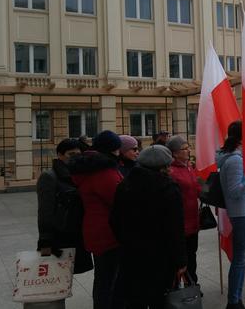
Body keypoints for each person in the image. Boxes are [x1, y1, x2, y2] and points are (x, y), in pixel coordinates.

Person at [110, 145, 187, 308]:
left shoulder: (124, 185)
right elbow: (175, 228)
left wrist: (126, 240)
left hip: (131, 254)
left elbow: (114, 220)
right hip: (160, 257)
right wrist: (180, 260)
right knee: (158, 299)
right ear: (165, 166)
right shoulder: (168, 188)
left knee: (134, 299)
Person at [29, 139, 92, 309]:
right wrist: (45, 240)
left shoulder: (78, 175)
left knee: (63, 279)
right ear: (59, 155)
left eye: (78, 155)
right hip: (57, 236)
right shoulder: (49, 177)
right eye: (71, 155)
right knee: (54, 281)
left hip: (76, 235)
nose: (75, 158)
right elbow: (45, 211)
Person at [68, 130, 124, 309]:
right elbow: (119, 200)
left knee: (103, 277)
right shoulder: (103, 172)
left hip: (95, 229)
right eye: (117, 149)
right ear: (111, 149)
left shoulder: (89, 168)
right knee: (109, 279)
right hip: (108, 232)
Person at [217, 121, 245, 309]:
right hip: (242, 212)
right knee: (240, 259)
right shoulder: (235, 160)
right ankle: (234, 301)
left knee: (241, 258)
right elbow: (234, 191)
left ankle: (236, 297)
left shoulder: (237, 157)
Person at [166, 135, 202, 284]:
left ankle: (192, 284)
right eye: (185, 149)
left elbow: (197, 189)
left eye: (188, 148)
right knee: (179, 259)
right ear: (174, 153)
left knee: (191, 256)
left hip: (193, 222)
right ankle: (175, 289)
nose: (189, 151)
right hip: (180, 224)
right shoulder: (171, 171)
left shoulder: (189, 167)